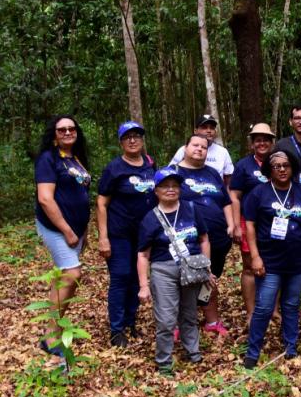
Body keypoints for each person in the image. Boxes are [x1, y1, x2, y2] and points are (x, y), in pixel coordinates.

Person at [242, 150, 301, 368]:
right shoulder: (259, 193)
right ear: (269, 169)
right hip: (269, 261)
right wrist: (255, 257)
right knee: (264, 306)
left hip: (297, 260)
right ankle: (252, 352)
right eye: (277, 166)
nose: (282, 169)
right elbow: (250, 225)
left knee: (291, 305)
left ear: (292, 168)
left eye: (286, 165)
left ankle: (290, 348)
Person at [137, 168, 214, 375]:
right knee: (166, 318)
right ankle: (164, 361)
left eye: (174, 185)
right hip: (164, 270)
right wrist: (144, 285)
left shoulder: (191, 208)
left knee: (189, 313)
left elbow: (204, 239)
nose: (170, 189)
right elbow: (143, 254)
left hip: (192, 268)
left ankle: (193, 352)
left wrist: (207, 267)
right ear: (156, 190)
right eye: (165, 186)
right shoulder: (150, 218)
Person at [34, 114, 92, 366]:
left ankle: (55, 329)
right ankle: (50, 336)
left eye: (71, 128)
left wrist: (84, 229)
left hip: (76, 228)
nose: (68, 132)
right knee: (72, 273)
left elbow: (82, 194)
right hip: (56, 226)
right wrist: (67, 230)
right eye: (62, 130)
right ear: (54, 135)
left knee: (64, 277)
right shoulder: (48, 159)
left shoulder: (76, 158)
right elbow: (45, 199)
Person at [96, 121, 156, 347]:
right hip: (119, 233)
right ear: (121, 142)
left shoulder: (150, 165)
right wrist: (103, 237)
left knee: (136, 279)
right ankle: (116, 329)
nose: (132, 140)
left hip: (143, 234)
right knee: (121, 276)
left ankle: (131, 321)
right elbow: (101, 203)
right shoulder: (114, 168)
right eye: (127, 137)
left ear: (142, 140)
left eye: (136, 136)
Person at [174, 133, 233, 337]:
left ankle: (211, 320)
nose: (200, 149)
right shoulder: (174, 173)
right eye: (195, 145)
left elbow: (226, 201)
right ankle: (178, 323)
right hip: (187, 238)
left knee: (210, 278)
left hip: (217, 237)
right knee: (182, 281)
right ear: (185, 148)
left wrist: (231, 224)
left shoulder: (212, 173)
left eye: (204, 147)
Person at [231, 123, 277, 318]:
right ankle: (251, 311)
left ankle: (274, 309)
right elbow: (234, 196)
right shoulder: (244, 165)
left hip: (276, 221)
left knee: (275, 265)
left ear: (272, 143)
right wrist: (235, 225)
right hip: (249, 221)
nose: (262, 143)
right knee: (250, 267)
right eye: (258, 140)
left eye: (266, 140)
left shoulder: (279, 163)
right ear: (252, 144)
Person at [170, 113, 234, 180]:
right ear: (195, 131)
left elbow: (228, 178)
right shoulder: (185, 149)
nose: (209, 131)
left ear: (215, 132)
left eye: (212, 128)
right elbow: (171, 172)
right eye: (204, 127)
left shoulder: (223, 152)